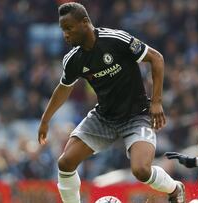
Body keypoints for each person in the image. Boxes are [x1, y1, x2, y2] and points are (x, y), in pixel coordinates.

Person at [37, 2, 184, 203]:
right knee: (65, 163)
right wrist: (45, 120)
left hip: (137, 115)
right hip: (104, 117)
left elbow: (156, 59)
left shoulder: (115, 40)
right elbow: (63, 88)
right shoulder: (73, 59)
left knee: (141, 170)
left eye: (69, 28)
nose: (65, 35)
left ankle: (175, 189)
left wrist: (156, 102)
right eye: (63, 30)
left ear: (85, 22)